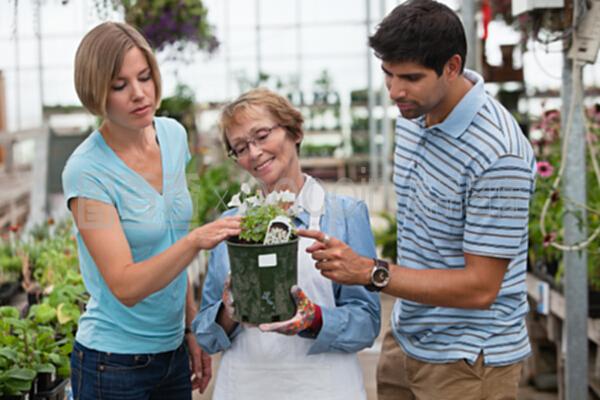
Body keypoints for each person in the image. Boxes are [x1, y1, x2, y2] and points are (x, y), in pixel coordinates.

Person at [298, 1, 537, 399]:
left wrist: (371, 272)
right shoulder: (414, 116)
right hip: (407, 339)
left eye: (410, 77)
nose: (394, 91)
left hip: (468, 361)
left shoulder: (498, 155)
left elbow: (481, 288)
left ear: (452, 66)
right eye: (387, 74)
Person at [62, 22, 240, 399]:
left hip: (172, 355)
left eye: (144, 77)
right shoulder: (87, 172)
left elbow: (171, 242)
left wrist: (191, 329)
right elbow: (125, 286)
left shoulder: (174, 136)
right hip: (113, 364)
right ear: (96, 92)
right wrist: (195, 242)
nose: (140, 94)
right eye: (119, 85)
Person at [192, 88, 381, 400]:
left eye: (262, 135)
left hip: (325, 389)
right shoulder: (231, 223)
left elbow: (367, 322)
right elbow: (206, 335)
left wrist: (316, 319)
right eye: (240, 147)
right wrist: (227, 314)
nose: (253, 153)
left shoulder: (344, 215)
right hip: (246, 388)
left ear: (295, 131)